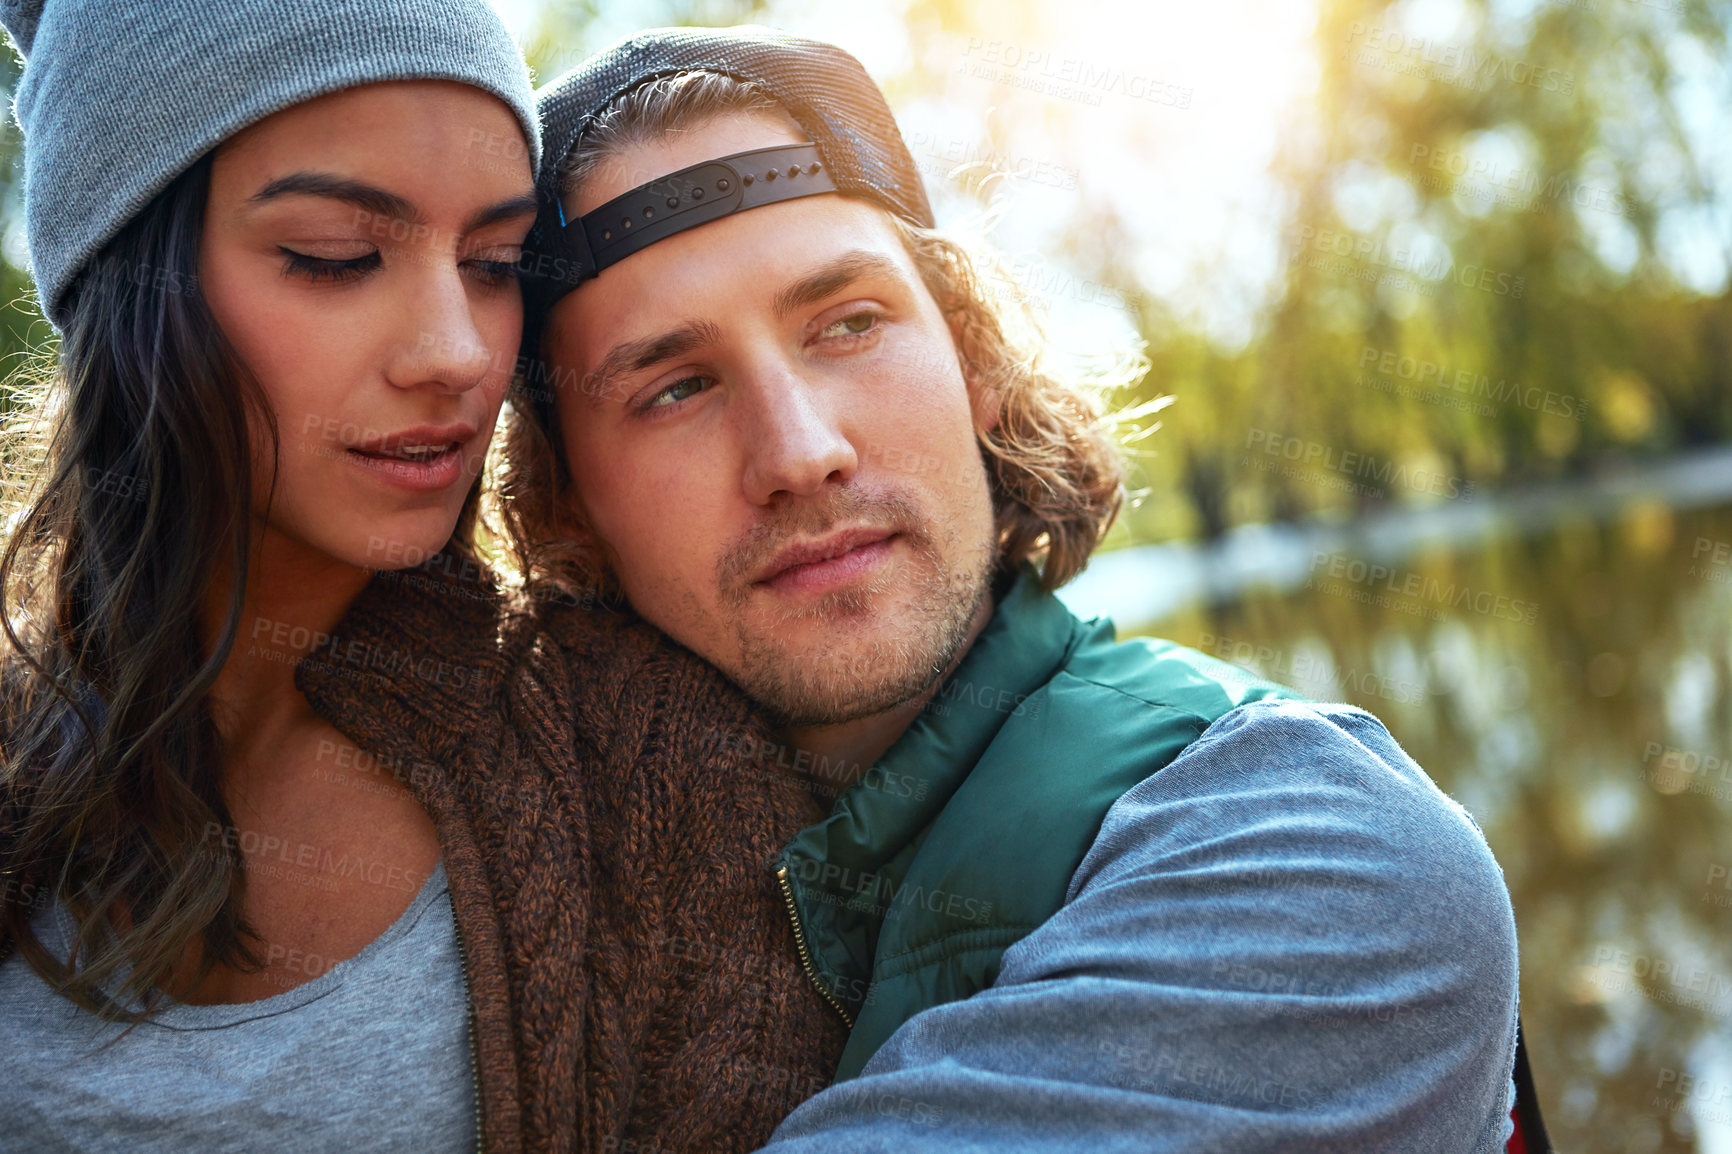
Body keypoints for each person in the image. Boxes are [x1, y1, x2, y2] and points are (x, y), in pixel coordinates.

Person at [507, 26, 1525, 1152]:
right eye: (674, 386)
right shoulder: (502, 881)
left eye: (847, 324)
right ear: (563, 507)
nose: (799, 450)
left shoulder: (1323, 857)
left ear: (974, 364)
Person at [0, 5, 842, 1152]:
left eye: (495, 265)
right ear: (127, 278)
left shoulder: (653, 764)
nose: (455, 350)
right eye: (336, 257)